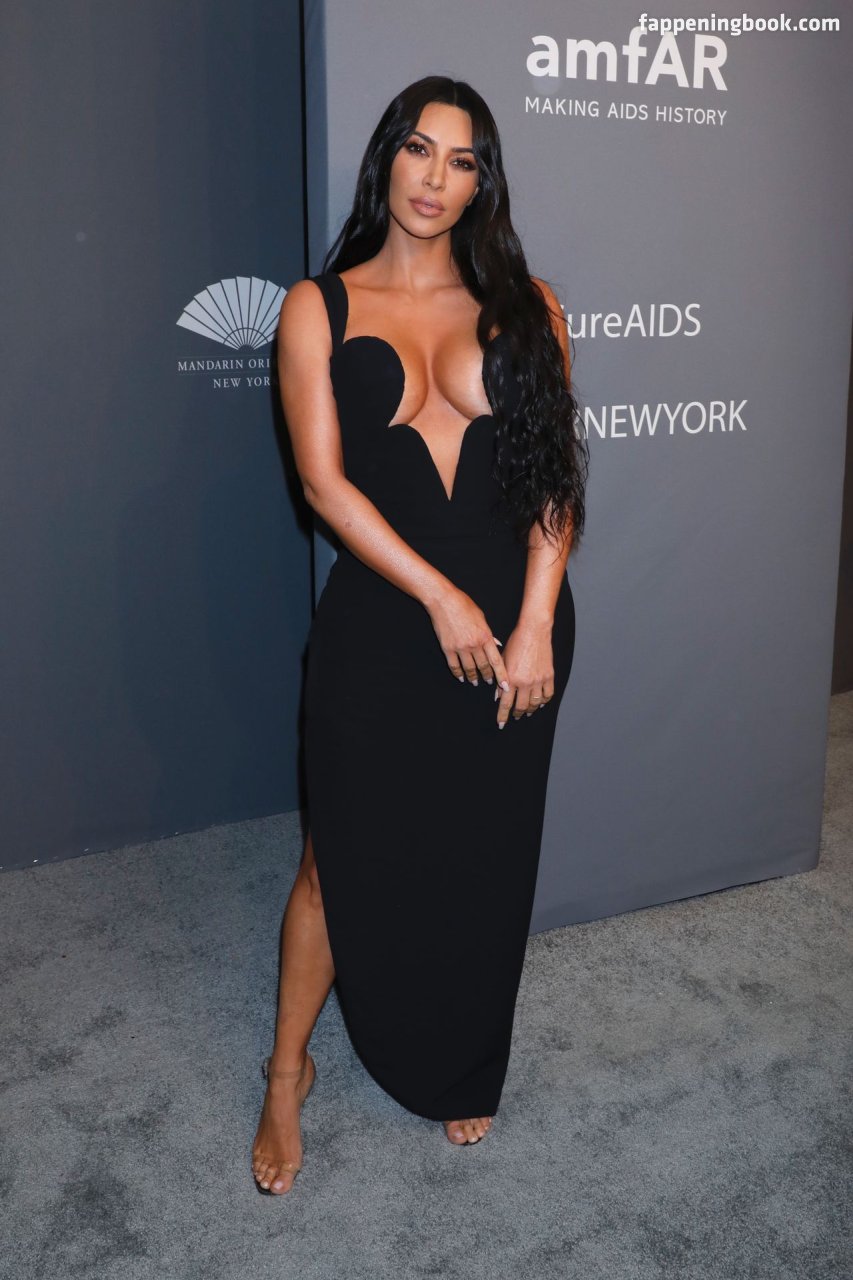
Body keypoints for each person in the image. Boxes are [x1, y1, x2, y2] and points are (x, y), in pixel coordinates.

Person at [252, 75, 589, 1195]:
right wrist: (441, 597)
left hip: (517, 629)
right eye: (418, 150)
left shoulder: (529, 306)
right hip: (384, 623)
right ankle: (286, 1069)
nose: (435, 179)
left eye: (461, 160)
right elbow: (324, 485)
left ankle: (459, 1054)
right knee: (333, 862)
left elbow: (555, 485)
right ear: (385, 159)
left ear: (481, 182)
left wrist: (533, 622)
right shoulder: (319, 307)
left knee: (483, 855)